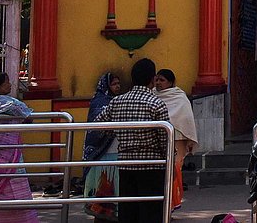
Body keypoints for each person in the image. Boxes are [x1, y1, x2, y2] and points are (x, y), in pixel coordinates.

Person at [94, 58, 171, 223]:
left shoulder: (117, 102)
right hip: (152, 164)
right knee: (151, 210)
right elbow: (165, 140)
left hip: (126, 163)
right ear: (151, 79)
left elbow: (98, 123)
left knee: (128, 210)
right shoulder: (156, 104)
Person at [0, 72, 39, 223]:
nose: (10, 85)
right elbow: (27, 116)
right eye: (7, 82)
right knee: (15, 187)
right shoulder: (9, 103)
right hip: (9, 155)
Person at [152, 69, 198, 213]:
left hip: (177, 140)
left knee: (174, 172)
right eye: (157, 79)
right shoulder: (151, 96)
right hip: (157, 141)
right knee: (160, 173)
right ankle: (162, 206)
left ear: (171, 82)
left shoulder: (179, 97)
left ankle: (171, 204)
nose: (158, 83)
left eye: (162, 80)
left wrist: (189, 140)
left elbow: (187, 119)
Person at [84, 71, 122, 219]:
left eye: (118, 84)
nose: (117, 86)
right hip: (100, 151)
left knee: (113, 184)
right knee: (102, 183)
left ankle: (112, 212)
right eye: (114, 84)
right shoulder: (98, 102)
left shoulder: (117, 100)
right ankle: (100, 212)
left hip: (115, 149)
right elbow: (95, 126)